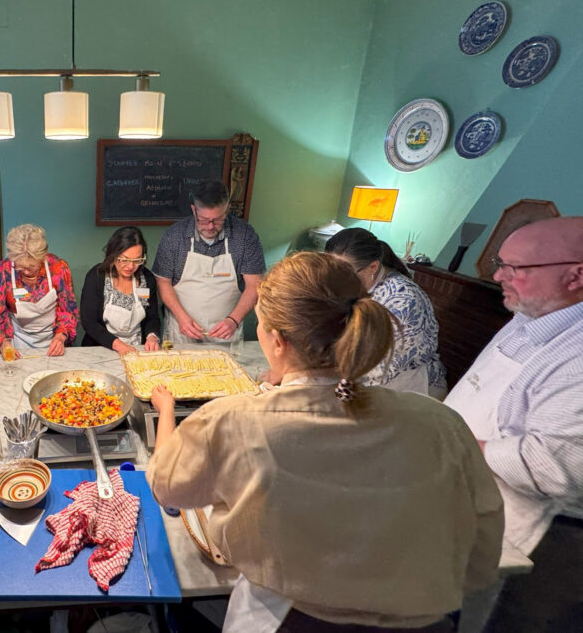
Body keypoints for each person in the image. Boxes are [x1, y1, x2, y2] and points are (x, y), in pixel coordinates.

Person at [147, 252, 503, 632]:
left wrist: (165, 410)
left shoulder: (232, 421)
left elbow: (166, 486)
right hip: (424, 622)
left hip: (294, 618)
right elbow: (480, 551)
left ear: (277, 341)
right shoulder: (441, 422)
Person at [443, 217, 583, 633]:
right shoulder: (529, 314)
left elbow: (556, 468)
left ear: (576, 274)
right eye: (501, 263)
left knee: (497, 621)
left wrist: (457, 441)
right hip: (474, 500)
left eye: (515, 268)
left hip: (541, 534)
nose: (497, 275)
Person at [325, 227, 447, 398]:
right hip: (365, 375)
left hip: (410, 388)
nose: (337, 281)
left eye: (344, 273)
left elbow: (379, 369)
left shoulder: (404, 301)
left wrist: (329, 389)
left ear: (373, 267)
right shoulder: (360, 286)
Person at [152, 180, 265, 345]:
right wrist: (182, 317)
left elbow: (255, 284)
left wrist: (233, 320)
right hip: (181, 332)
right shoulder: (174, 236)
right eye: (204, 220)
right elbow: (163, 282)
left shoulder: (245, 236)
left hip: (226, 333)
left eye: (218, 220)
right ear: (193, 210)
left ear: (227, 210)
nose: (210, 226)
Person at [0, 224, 78, 357]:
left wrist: (61, 336)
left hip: (54, 342)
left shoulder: (58, 268)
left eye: (32, 266)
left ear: (42, 257)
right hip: (17, 343)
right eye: (20, 268)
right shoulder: (2, 272)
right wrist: (3, 342)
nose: (26, 272)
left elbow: (67, 311)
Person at [80, 226, 161, 354]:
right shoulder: (97, 276)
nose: (130, 266)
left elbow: (152, 317)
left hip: (136, 348)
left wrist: (152, 336)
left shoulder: (147, 279)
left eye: (137, 260)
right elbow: (89, 322)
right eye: (124, 259)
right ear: (113, 254)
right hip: (100, 347)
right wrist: (117, 344)